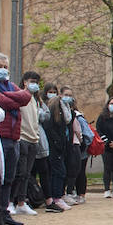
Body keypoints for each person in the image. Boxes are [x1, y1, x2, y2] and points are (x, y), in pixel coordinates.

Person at [0, 52, 30, 225]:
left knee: (9, 178)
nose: (3, 70)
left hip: (14, 137)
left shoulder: (10, 86)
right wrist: (14, 99)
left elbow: (26, 97)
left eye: (5, 67)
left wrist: (10, 97)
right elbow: (0, 101)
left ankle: (4, 212)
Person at [11, 71, 43, 215]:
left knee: (27, 174)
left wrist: (36, 136)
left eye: (37, 82)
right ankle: (11, 201)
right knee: (19, 173)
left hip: (33, 139)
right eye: (32, 81)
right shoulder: (20, 96)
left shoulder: (35, 100)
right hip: (23, 138)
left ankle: (21, 202)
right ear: (24, 81)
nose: (34, 84)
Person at [40, 83, 71, 211]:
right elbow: (51, 129)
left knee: (59, 172)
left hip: (60, 146)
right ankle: (56, 197)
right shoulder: (52, 113)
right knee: (58, 171)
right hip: (54, 146)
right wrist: (58, 142)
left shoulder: (62, 113)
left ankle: (57, 196)